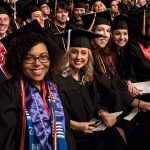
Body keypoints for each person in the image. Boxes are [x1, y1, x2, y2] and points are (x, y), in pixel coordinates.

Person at [53, 29, 127, 150]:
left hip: (92, 127)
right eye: (74, 52)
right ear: (67, 53)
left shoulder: (87, 77)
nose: (79, 57)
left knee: (115, 135)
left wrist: (102, 113)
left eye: (83, 53)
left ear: (89, 56)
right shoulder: (57, 79)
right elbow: (55, 113)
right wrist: (76, 126)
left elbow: (96, 101)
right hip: (73, 134)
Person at [0, 21, 68, 150]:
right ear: (18, 60)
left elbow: (66, 133)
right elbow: (6, 139)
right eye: (29, 58)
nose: (38, 64)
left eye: (43, 57)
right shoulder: (9, 90)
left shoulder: (54, 87)